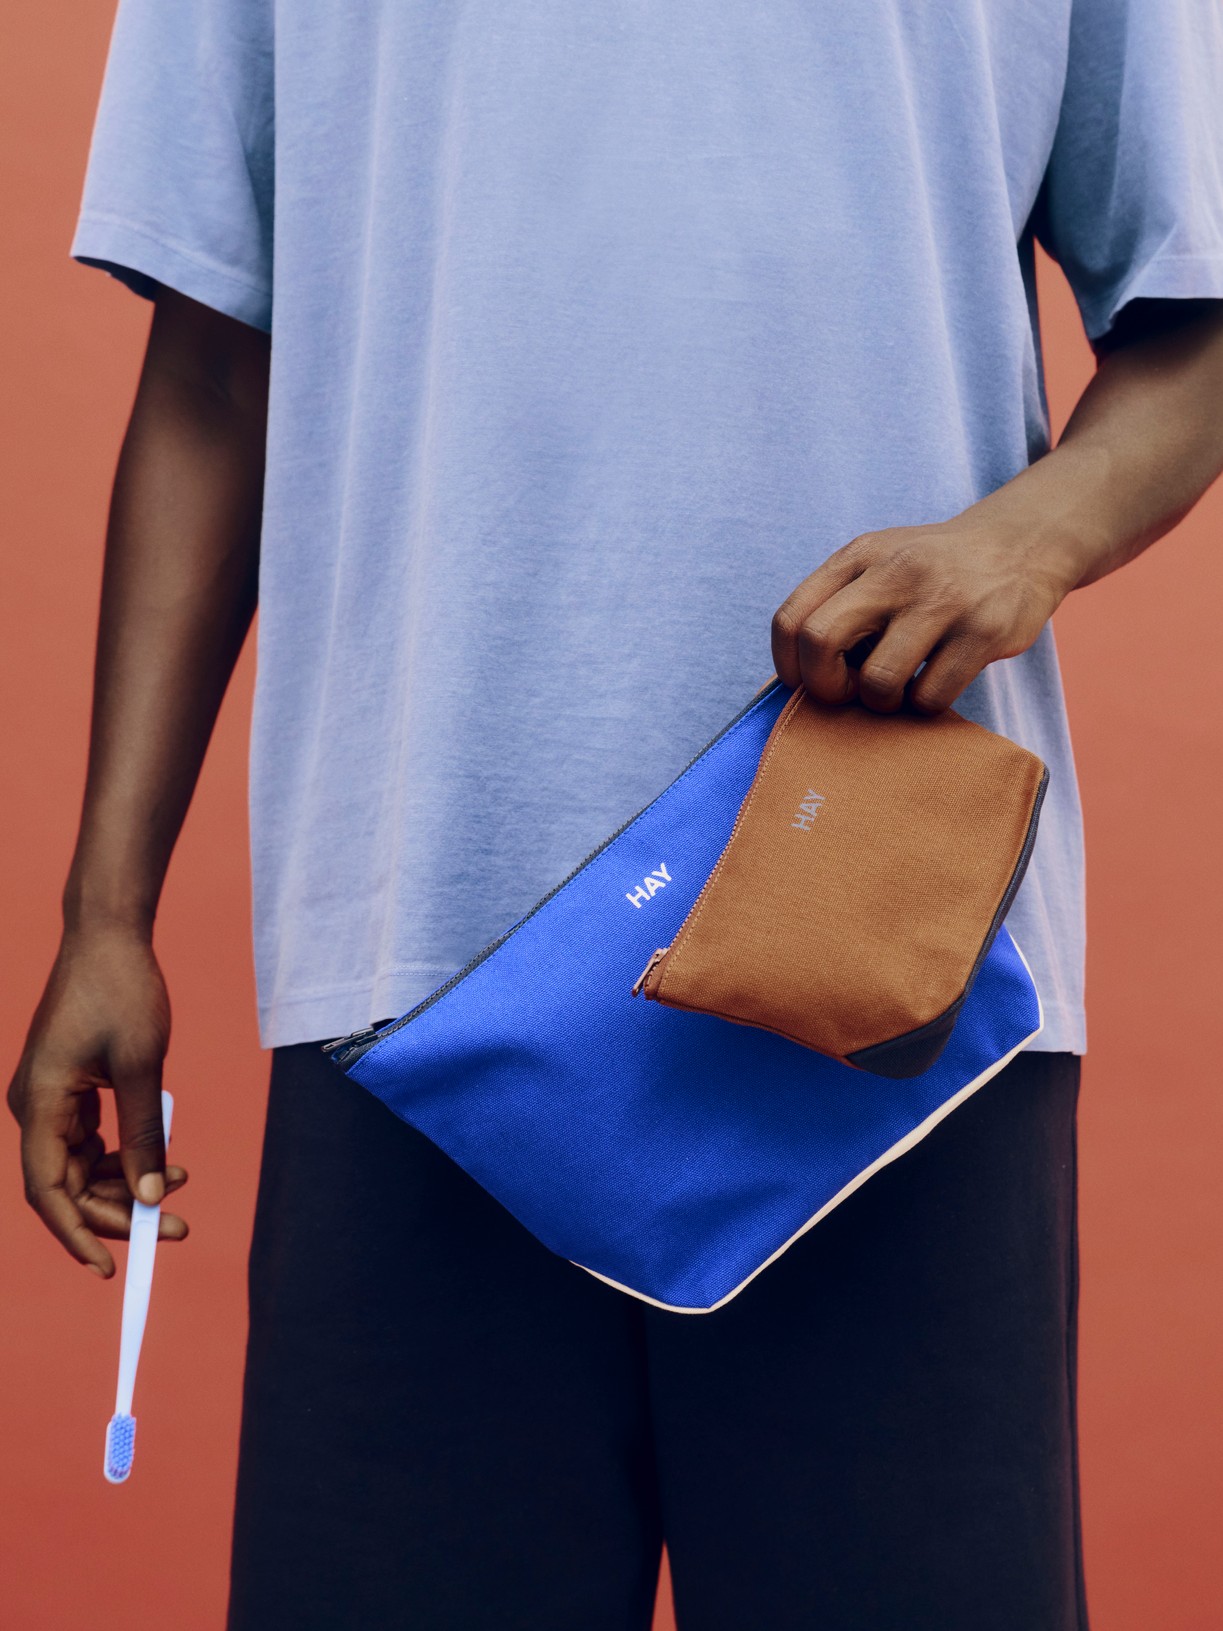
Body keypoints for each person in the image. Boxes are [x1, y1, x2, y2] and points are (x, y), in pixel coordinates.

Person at [8, 1, 1223, 1626]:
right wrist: (104, 913)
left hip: (893, 978)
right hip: (414, 983)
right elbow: (215, 371)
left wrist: (1032, 538)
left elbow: (1200, 311)